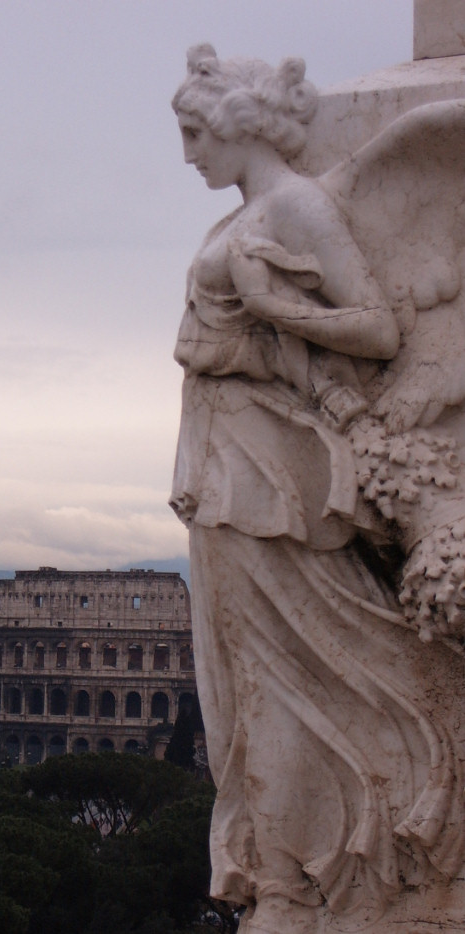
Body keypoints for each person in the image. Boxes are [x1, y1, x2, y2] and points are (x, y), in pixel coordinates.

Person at [170, 45, 465, 934]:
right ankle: (291, 877)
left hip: (268, 474)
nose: (188, 154)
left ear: (237, 124)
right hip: (225, 457)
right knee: (247, 683)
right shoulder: (246, 215)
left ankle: (340, 874)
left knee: (295, 675)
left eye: (194, 132)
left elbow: (374, 328)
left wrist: (273, 306)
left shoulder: (299, 206)